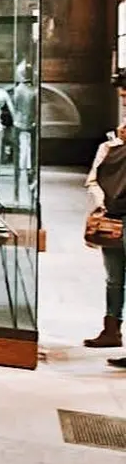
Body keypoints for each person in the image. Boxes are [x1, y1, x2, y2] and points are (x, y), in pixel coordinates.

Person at [83, 121, 126, 365]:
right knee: (114, 279)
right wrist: (104, 204)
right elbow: (94, 179)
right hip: (111, 216)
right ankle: (111, 330)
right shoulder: (109, 148)